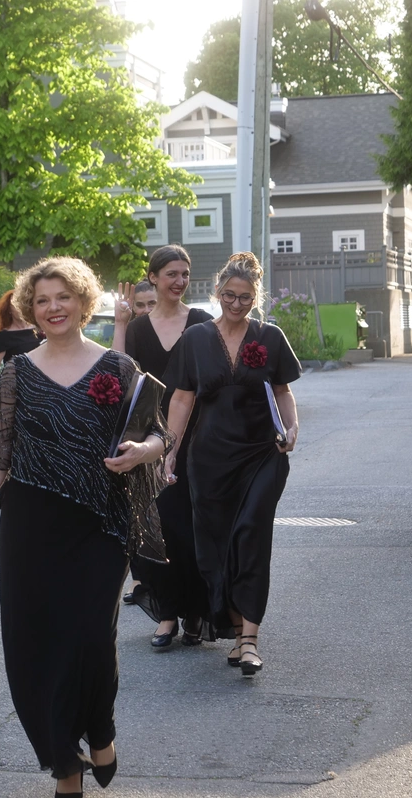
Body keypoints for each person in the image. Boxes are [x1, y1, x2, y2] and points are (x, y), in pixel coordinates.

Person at [0, 257, 168, 798]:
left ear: (82, 301)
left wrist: (141, 451)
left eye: (63, 297)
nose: (53, 308)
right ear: (31, 309)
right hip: (30, 526)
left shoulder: (118, 366)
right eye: (43, 300)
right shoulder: (18, 372)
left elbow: (159, 435)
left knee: (89, 638)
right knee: (32, 645)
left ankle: (101, 729)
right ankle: (65, 767)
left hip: (100, 525)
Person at [163, 252, 300, 677]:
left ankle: (251, 641)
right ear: (217, 292)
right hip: (209, 460)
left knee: (251, 537)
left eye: (244, 298)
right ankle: (238, 631)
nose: (236, 304)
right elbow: (181, 399)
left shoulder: (270, 337)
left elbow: (282, 391)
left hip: (262, 455)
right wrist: (170, 450)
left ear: (255, 298)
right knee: (215, 548)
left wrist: (292, 427)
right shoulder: (196, 339)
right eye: (229, 296)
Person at [111, 244, 213, 650]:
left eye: (185, 274)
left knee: (193, 528)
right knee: (158, 527)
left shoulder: (201, 321)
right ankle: (168, 613)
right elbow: (120, 376)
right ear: (152, 277)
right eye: (171, 274)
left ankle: (197, 612)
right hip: (150, 439)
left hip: (198, 437)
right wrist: (120, 324)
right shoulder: (138, 329)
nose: (180, 281)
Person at [0, 289, 42, 385]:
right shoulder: (5, 336)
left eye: (22, 304)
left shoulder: (40, 328)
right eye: (15, 305)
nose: (19, 308)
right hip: (21, 387)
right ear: (9, 310)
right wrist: (6, 389)